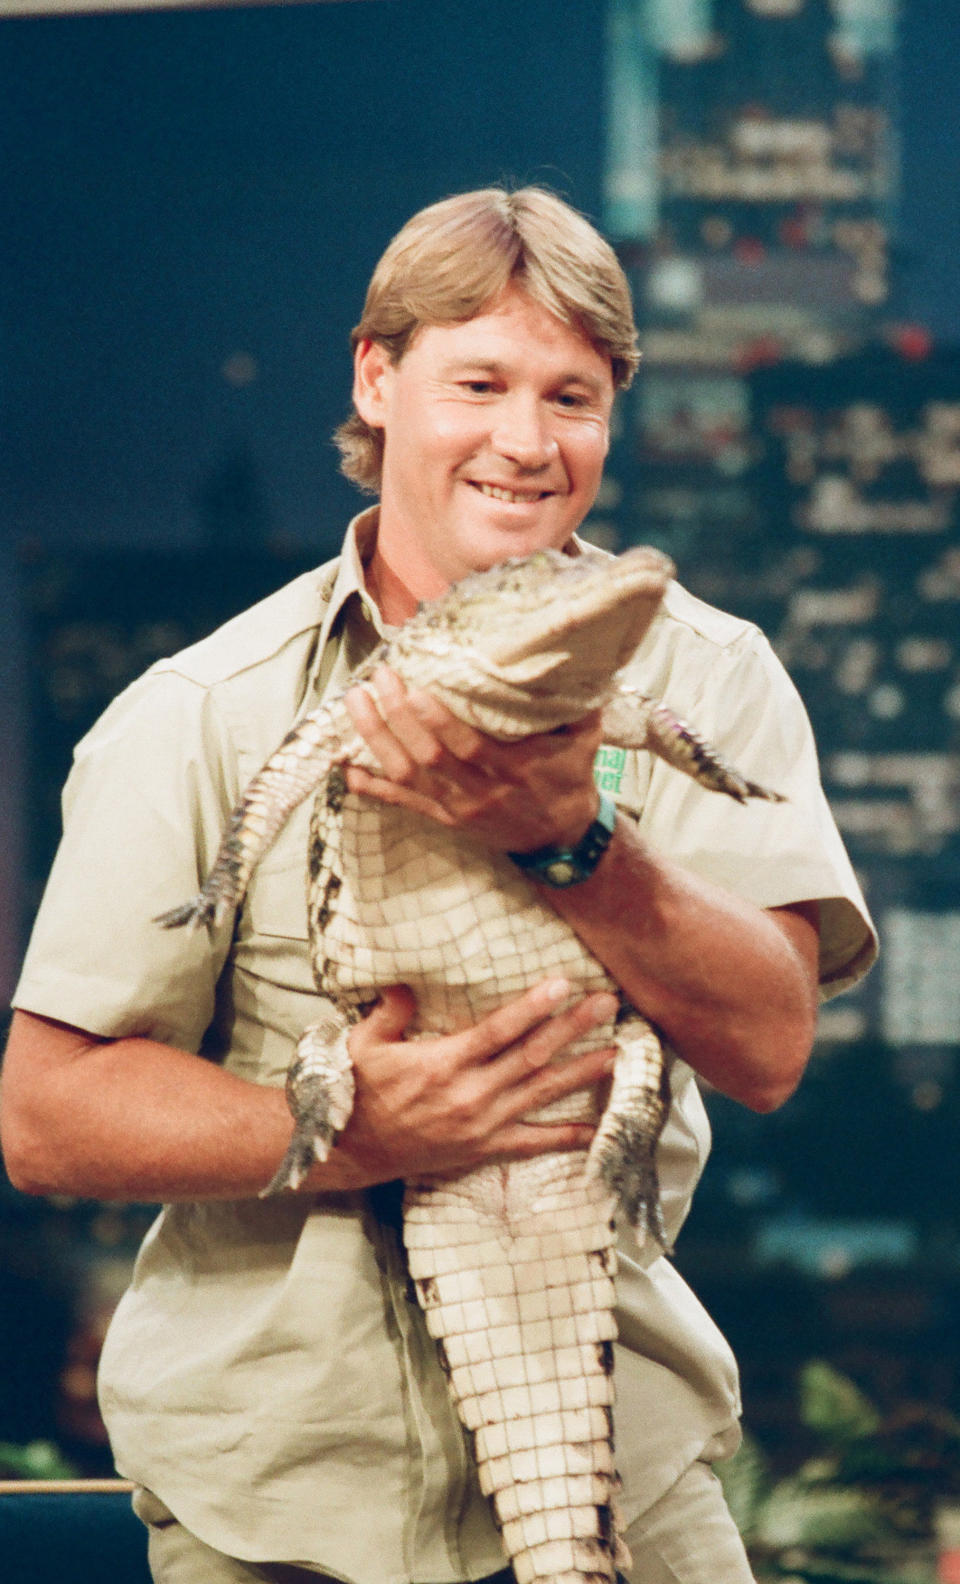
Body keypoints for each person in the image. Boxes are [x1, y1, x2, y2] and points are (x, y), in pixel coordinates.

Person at [1, 187, 876, 1584]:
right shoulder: (204, 708)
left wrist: (573, 840)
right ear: (377, 377)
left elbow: (769, 1044)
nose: (527, 443)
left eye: (572, 398)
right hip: (274, 1496)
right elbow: (46, 1115)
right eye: (480, 382)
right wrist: (338, 1130)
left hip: (618, 1459)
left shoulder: (707, 673)